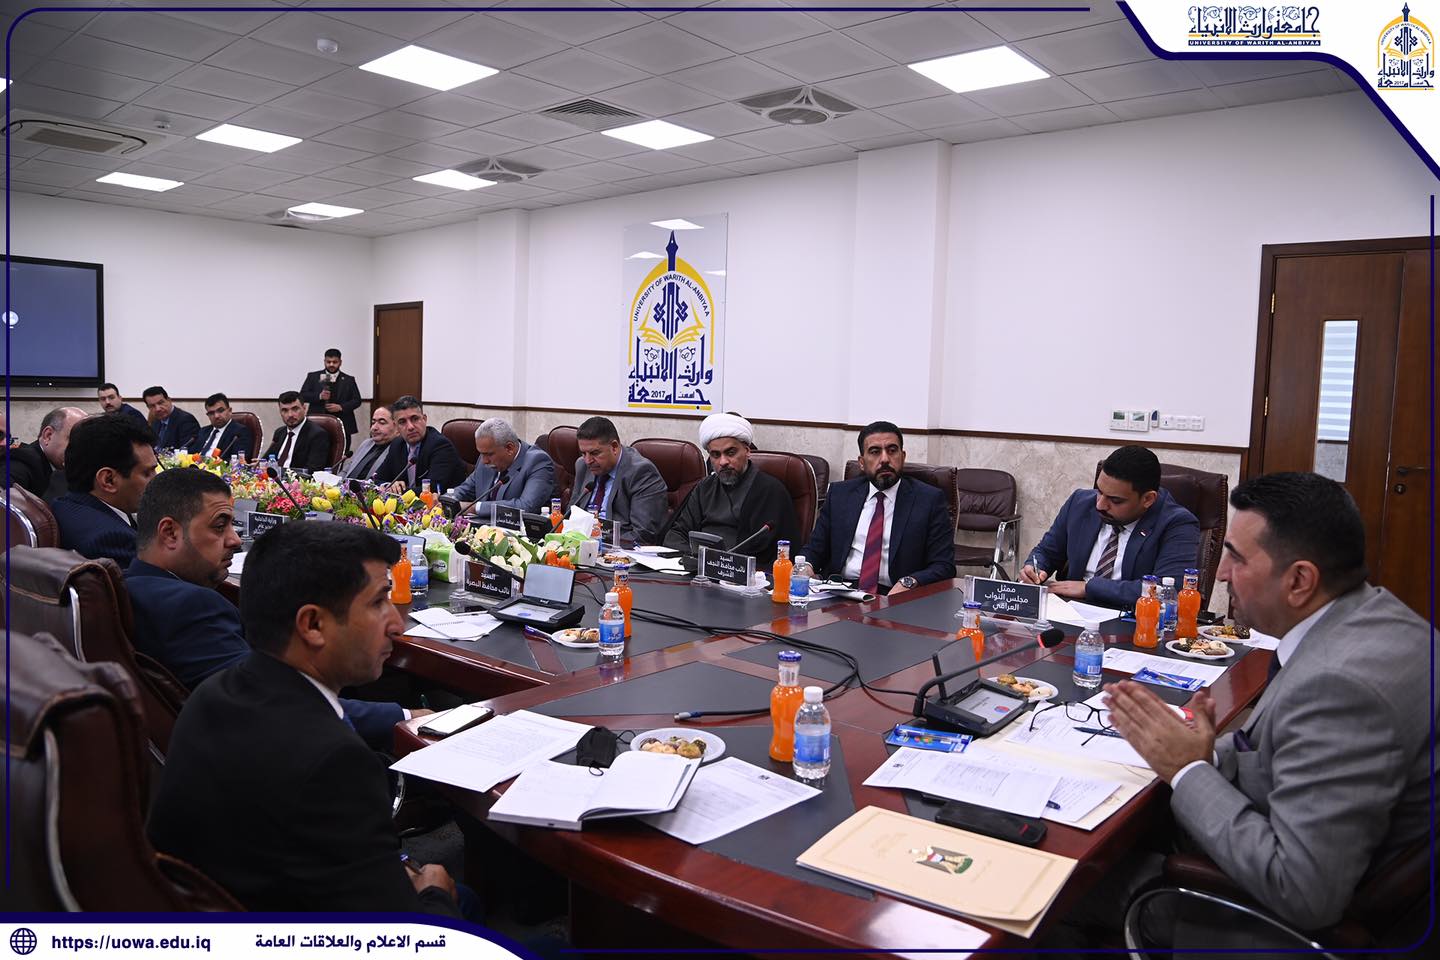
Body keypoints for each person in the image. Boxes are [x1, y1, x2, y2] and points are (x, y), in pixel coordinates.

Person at [1105, 472, 1436, 932]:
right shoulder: (1377, 617)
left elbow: (1301, 891)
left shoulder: (1340, 687)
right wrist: (1200, 753)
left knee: (1057, 891)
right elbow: (1273, 748)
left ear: (1299, 580)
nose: (1221, 573)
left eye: (1236, 558)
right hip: (1309, 851)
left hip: (1260, 923)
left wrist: (1187, 769)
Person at [146, 521, 460, 914]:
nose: (396, 624)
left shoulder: (212, 694)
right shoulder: (334, 760)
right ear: (312, 625)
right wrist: (435, 891)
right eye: (379, 602)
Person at [123, 469, 412, 746]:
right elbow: (271, 701)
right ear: (170, 533)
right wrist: (405, 717)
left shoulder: (132, 586)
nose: (235, 539)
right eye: (219, 526)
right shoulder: (190, 606)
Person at [1021, 445, 1198, 608]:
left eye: (1115, 500)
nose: (1100, 505)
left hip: (1130, 617)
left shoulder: (1177, 523)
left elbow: (1167, 589)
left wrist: (1090, 588)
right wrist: (1035, 568)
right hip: (1069, 611)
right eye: (1099, 491)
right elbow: (1047, 552)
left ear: (1147, 499)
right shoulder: (1080, 503)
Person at [803, 421, 954, 594]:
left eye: (892, 450)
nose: (885, 459)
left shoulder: (929, 500)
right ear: (861, 462)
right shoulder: (840, 495)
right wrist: (806, 566)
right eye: (875, 452)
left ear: (903, 456)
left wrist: (910, 582)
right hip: (840, 592)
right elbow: (815, 548)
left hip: (894, 594)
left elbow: (944, 565)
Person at [662, 413, 798, 566]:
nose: (723, 462)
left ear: (747, 451)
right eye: (715, 455)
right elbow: (675, 535)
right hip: (698, 568)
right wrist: (701, 559)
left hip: (744, 573)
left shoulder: (770, 491)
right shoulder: (704, 488)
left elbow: (771, 553)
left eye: (730, 453)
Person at [50, 413, 157, 565]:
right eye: (147, 473)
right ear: (108, 480)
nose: (156, 480)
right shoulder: (112, 540)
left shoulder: (65, 504)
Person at [568, 416, 668, 545]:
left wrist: (598, 542)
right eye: (583, 453)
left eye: (594, 453)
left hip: (619, 550)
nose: (588, 460)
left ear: (614, 447)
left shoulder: (642, 472)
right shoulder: (582, 465)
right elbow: (571, 515)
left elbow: (643, 535)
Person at [450, 418, 554, 513]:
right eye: (481, 454)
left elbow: (526, 506)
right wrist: (447, 501)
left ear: (509, 448)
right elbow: (464, 490)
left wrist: (475, 507)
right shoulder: (485, 460)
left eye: (489, 454)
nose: (484, 460)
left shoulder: (537, 462)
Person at [374, 396, 466, 494]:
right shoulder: (397, 445)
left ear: (424, 419)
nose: (410, 427)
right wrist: (388, 485)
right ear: (396, 426)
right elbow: (377, 478)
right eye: (402, 422)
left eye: (415, 419)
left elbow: (433, 489)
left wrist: (396, 491)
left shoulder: (440, 445)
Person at [4, 406, 86, 501]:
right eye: (75, 440)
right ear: (48, 435)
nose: (83, 448)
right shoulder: (22, 460)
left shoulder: (79, 467)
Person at [300, 348, 362, 452]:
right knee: (317, 451)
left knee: (341, 452)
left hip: (342, 423)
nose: (331, 364)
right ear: (324, 361)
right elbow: (303, 395)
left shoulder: (349, 380)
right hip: (318, 422)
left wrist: (341, 407)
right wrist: (319, 396)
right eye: (328, 362)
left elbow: (357, 400)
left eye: (335, 362)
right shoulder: (313, 377)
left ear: (340, 362)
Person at [261, 392, 331, 472]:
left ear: (304, 408)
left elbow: (313, 470)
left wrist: (283, 473)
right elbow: (267, 460)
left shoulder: (317, 435)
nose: (290, 415)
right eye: (285, 410)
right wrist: (260, 464)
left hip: (296, 479)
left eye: (295, 409)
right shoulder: (280, 432)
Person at [338, 406, 397, 483]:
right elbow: (346, 471)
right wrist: (335, 484)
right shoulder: (367, 443)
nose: (374, 427)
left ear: (397, 427)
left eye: (382, 423)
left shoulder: (399, 450)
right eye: (373, 422)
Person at [188, 393, 253, 461]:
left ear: (230, 411)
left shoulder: (240, 432)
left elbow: (237, 460)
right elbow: (191, 454)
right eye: (211, 413)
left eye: (220, 411)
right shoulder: (203, 431)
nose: (216, 416)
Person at [142, 386, 200, 451]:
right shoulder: (155, 420)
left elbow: (187, 450)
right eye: (152, 406)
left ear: (169, 400)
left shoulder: (186, 420)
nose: (157, 409)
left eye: (160, 403)